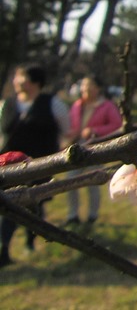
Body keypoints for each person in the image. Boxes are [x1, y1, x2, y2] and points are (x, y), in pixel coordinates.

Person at [0, 64, 70, 267]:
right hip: (9, 166)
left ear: (34, 81)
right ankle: (4, 249)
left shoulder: (53, 103)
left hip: (39, 163)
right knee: (9, 204)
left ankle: (31, 240)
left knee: (34, 203)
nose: (15, 81)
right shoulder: (7, 104)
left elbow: (65, 129)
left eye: (20, 77)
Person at [64, 75, 123, 226]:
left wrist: (94, 130)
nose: (85, 89)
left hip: (96, 149)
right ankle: (72, 215)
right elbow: (73, 124)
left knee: (92, 182)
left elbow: (117, 125)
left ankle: (92, 215)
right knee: (69, 181)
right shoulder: (77, 105)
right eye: (83, 85)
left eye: (89, 85)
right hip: (76, 148)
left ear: (98, 88)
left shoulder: (107, 105)